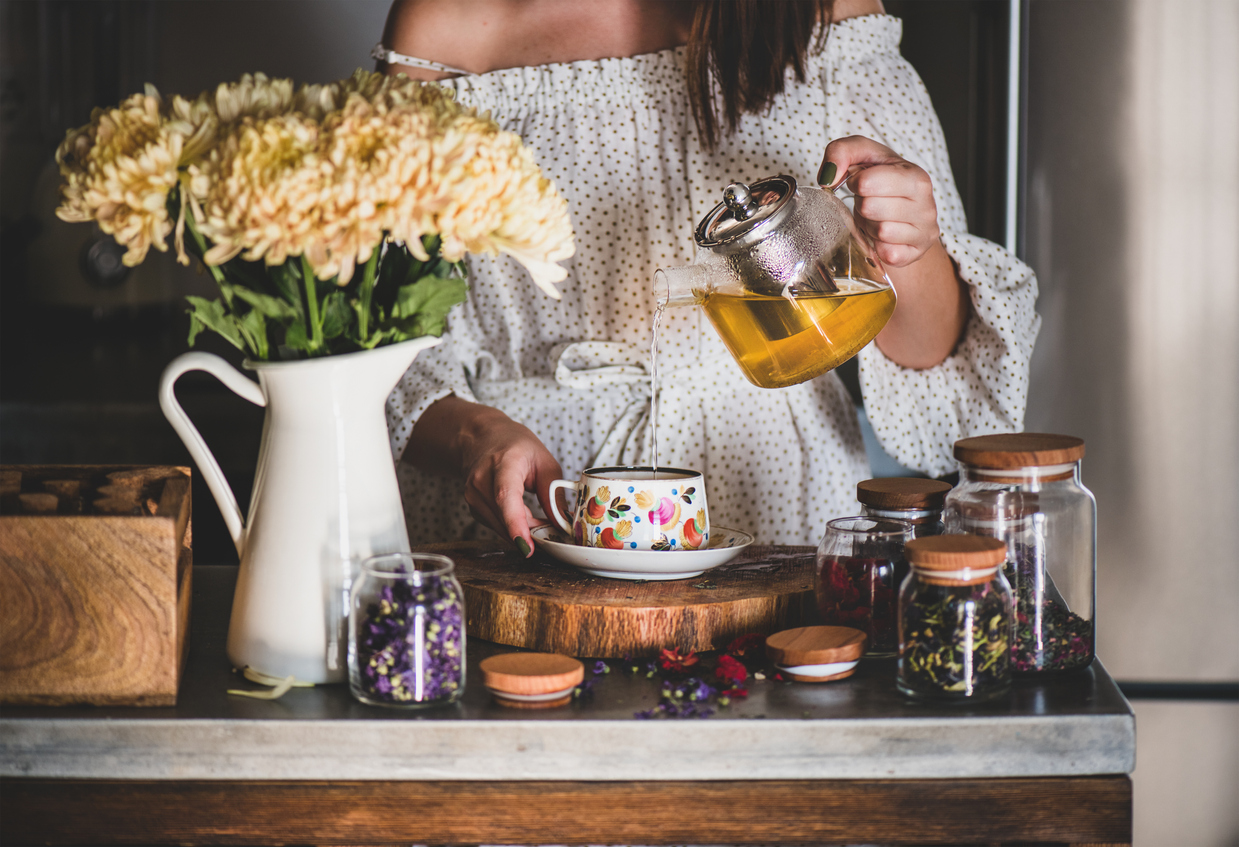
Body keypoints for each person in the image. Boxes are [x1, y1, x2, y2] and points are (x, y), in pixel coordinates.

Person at [377, 0, 1039, 554]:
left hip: (777, 503)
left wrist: (910, 248)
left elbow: (931, 358)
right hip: (541, 512)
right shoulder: (448, 28)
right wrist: (475, 435)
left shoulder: (826, 15)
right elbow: (384, 343)